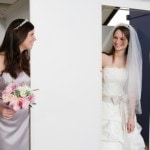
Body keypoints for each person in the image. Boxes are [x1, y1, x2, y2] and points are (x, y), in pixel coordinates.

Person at [102, 23, 145, 150]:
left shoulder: (130, 64)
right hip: (103, 106)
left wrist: (131, 117)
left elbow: (132, 92)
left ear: (128, 42)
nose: (117, 42)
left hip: (121, 110)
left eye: (122, 39)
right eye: (115, 37)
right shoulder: (103, 58)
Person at [0, 18, 36, 150]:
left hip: (24, 123)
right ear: (20, 35)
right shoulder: (0, 58)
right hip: (5, 122)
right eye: (31, 34)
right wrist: (1, 109)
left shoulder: (25, 60)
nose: (35, 38)